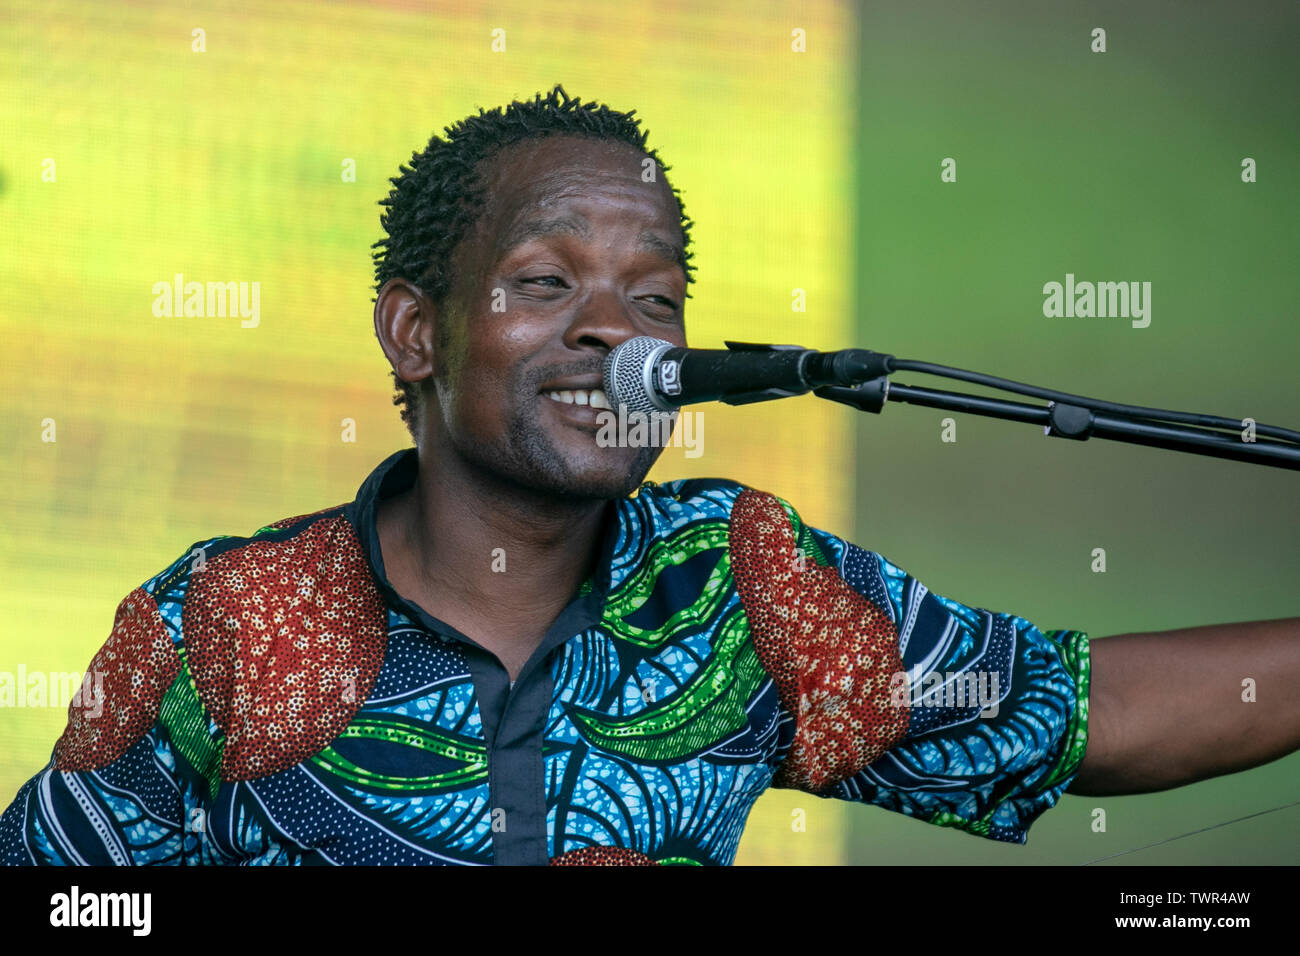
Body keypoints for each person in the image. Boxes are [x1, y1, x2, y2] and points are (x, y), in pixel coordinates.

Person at [2, 85, 1296, 866]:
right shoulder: (221, 616)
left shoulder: (732, 587)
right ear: (415, 332)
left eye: (656, 298)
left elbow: (1090, 715)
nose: (616, 329)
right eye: (546, 282)